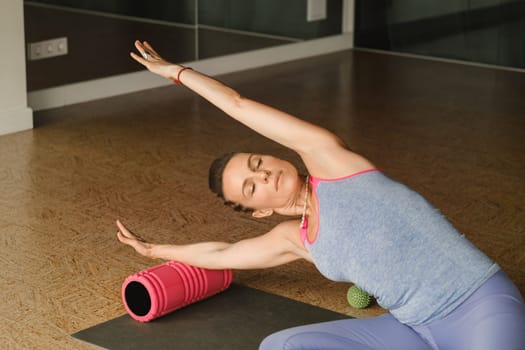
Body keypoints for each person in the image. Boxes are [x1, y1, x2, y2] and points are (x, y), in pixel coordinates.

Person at [116, 40, 525, 350]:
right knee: (279, 346)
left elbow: (239, 105)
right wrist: (155, 252)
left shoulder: (331, 161)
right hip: (411, 329)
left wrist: (178, 73)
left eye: (258, 163)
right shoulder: (296, 239)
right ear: (258, 212)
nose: (265, 175)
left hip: (478, 307)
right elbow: (223, 255)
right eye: (251, 187)